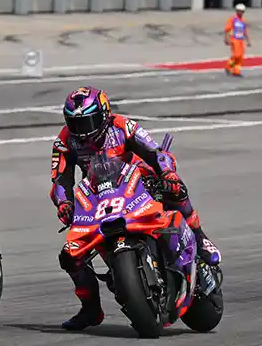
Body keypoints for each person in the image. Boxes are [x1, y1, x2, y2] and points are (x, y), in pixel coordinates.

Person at [50, 86, 222, 330]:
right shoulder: (65, 141)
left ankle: (199, 237)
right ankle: (91, 309)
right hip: (100, 196)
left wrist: (167, 173)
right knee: (70, 256)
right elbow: (60, 180)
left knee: (174, 189)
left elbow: (154, 151)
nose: (84, 131)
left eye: (88, 121)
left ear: (104, 114)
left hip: (138, 182)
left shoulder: (123, 126)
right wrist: (65, 203)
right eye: (76, 124)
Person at [224, 4, 251, 76]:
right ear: (236, 11)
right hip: (234, 39)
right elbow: (227, 29)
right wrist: (226, 39)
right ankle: (228, 66)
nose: (241, 13)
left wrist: (248, 41)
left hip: (241, 40)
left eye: (242, 12)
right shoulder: (232, 19)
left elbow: (245, 31)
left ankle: (236, 72)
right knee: (236, 55)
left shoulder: (243, 21)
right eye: (239, 11)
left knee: (240, 57)